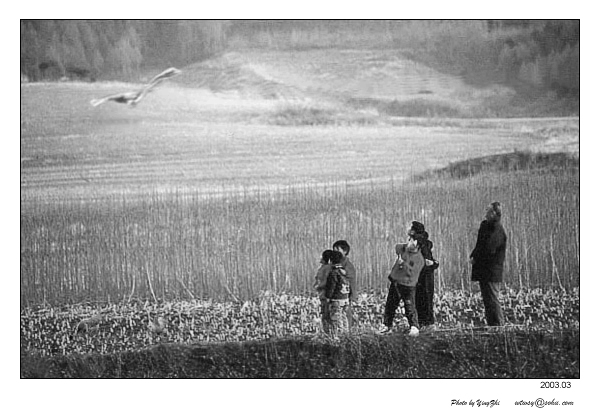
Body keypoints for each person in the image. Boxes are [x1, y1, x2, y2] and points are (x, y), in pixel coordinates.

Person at [378, 235, 426, 337]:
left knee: (409, 306)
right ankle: (386, 325)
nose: (409, 242)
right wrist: (406, 246)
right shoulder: (405, 250)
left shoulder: (419, 259)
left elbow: (412, 272)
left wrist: (404, 264)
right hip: (396, 282)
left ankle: (414, 326)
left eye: (412, 240)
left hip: (408, 285)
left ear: (418, 244)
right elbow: (397, 247)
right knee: (390, 305)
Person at [470, 202, 507, 326]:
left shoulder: (497, 230)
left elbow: (488, 249)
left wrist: (477, 257)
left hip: (492, 271)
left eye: (489, 211)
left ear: (494, 214)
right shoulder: (486, 226)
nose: (486, 213)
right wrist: (474, 255)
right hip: (485, 270)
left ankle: (498, 325)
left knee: (492, 299)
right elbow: (480, 244)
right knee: (488, 299)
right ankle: (492, 325)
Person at [409, 221, 439, 331]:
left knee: (423, 300)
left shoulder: (421, 243)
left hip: (423, 277)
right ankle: (426, 324)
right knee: (423, 300)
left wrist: (433, 264)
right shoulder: (422, 242)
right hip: (423, 276)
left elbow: (427, 261)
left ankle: (427, 324)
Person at [325, 250, 351, 336]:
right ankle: (346, 335)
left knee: (336, 319)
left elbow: (331, 287)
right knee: (344, 317)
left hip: (337, 299)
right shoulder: (344, 272)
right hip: (345, 298)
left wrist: (328, 298)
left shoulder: (333, 273)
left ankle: (338, 338)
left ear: (331, 261)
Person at [332, 240, 357, 328]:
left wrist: (340, 270)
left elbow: (349, 276)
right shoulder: (334, 264)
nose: (335, 253)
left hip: (346, 295)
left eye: (337, 250)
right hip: (337, 295)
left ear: (345, 252)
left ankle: (347, 333)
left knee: (346, 314)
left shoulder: (348, 265)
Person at [314, 249, 335, 333]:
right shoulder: (329, 268)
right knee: (328, 316)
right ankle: (330, 334)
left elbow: (321, 282)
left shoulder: (324, 269)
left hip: (324, 295)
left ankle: (328, 334)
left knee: (326, 316)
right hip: (327, 296)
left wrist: (318, 287)